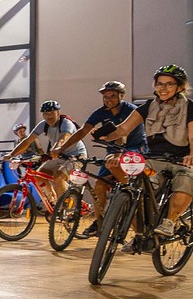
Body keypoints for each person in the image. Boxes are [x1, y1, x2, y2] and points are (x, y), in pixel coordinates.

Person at [105, 64, 193, 234]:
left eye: (169, 84)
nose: (163, 88)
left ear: (180, 87)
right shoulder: (148, 106)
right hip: (153, 160)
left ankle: (170, 221)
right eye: (159, 84)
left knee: (185, 181)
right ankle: (139, 234)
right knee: (133, 189)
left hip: (182, 160)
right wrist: (105, 136)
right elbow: (123, 129)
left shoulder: (191, 107)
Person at [53, 80, 144, 235]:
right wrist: (62, 148)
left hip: (134, 149)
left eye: (112, 96)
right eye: (105, 96)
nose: (108, 99)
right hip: (113, 151)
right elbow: (83, 131)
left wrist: (117, 154)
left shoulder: (131, 110)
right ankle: (100, 222)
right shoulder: (101, 112)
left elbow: (123, 133)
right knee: (99, 186)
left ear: (121, 96)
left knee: (132, 188)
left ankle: (139, 223)